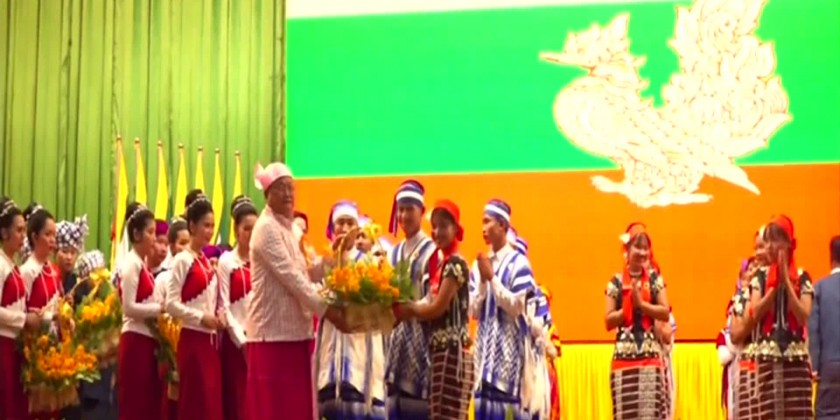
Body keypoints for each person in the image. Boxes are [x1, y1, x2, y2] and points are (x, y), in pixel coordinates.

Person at [245, 162, 351, 420]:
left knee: (296, 408)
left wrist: (333, 256)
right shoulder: (266, 228)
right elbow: (293, 279)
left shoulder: (291, 228)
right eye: (280, 188)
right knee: (276, 410)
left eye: (291, 188)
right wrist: (329, 312)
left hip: (296, 334)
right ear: (267, 194)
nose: (288, 194)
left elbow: (305, 272)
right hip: (273, 337)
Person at [394, 199, 474, 419]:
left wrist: (409, 310)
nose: (437, 232)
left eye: (443, 226)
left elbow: (437, 308)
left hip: (452, 353)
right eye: (435, 227)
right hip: (442, 353)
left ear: (456, 229)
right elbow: (429, 303)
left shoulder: (455, 264)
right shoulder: (443, 264)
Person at [315, 200, 387, 419]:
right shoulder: (324, 262)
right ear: (332, 227)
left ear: (357, 229)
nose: (345, 229)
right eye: (340, 223)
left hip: (360, 350)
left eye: (350, 223)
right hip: (330, 348)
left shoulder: (370, 264)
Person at [469, 199, 539, 419]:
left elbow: (518, 307)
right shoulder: (479, 264)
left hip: (508, 364)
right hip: (482, 362)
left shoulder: (520, 263)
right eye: (482, 222)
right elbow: (473, 311)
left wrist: (492, 278)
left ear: (502, 225)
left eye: (487, 221)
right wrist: (483, 281)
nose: (483, 228)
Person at [165, 190, 224, 420]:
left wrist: (219, 316)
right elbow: (170, 304)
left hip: (210, 343)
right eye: (205, 225)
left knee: (211, 405)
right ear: (192, 226)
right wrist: (200, 317)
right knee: (194, 404)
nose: (210, 231)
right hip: (192, 339)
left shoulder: (205, 261)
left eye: (212, 226)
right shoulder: (182, 260)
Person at [748, 215, 813, 418]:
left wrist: (786, 281)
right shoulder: (759, 277)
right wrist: (775, 286)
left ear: (789, 243)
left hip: (796, 362)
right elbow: (755, 312)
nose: (770, 246)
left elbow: (803, 316)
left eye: (776, 240)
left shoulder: (802, 277)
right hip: (767, 362)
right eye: (768, 241)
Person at [604, 222, 671, 419]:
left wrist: (641, 304)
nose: (642, 253)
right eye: (638, 247)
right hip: (623, 362)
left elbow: (665, 312)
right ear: (627, 249)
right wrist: (627, 308)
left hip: (650, 359)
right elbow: (608, 321)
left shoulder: (655, 280)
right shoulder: (615, 282)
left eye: (646, 248)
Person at [385, 180, 436, 419]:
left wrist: (411, 308)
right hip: (395, 347)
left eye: (409, 209)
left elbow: (434, 297)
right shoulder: (393, 253)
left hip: (421, 346)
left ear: (422, 212)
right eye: (400, 209)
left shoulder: (432, 251)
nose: (404, 215)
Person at [116, 202, 164, 420]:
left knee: (147, 404)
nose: (154, 238)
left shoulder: (142, 265)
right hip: (135, 341)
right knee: (135, 404)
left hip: (146, 341)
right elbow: (128, 307)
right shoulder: (131, 264)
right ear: (136, 234)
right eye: (150, 232)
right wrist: (159, 309)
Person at [19, 203, 62, 420]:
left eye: (54, 234)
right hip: (33, 347)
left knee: (53, 409)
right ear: (35, 237)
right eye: (48, 234)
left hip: (53, 346)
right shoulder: (27, 271)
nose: (53, 239)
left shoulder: (53, 270)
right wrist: (48, 316)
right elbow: (23, 312)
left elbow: (57, 303)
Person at [0, 197, 40, 420]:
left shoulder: (12, 265)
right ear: (4, 232)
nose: (23, 236)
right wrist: (24, 319)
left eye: (24, 230)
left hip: (15, 346)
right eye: (18, 230)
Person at [218, 196, 258, 420]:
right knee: (237, 402)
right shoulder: (227, 261)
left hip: (258, 341)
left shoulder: (261, 261)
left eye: (255, 229)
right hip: (235, 344)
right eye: (246, 229)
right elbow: (224, 306)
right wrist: (242, 341)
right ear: (236, 230)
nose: (251, 234)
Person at [153, 217, 189, 420]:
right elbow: (158, 316)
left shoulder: (198, 275)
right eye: (182, 242)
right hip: (169, 350)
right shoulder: (163, 279)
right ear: (172, 246)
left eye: (189, 242)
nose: (186, 247)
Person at [808, 235, 840, 419]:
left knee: (827, 413)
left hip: (829, 364)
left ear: (831, 257)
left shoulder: (819, 288)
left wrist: (815, 365)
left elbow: (814, 328)